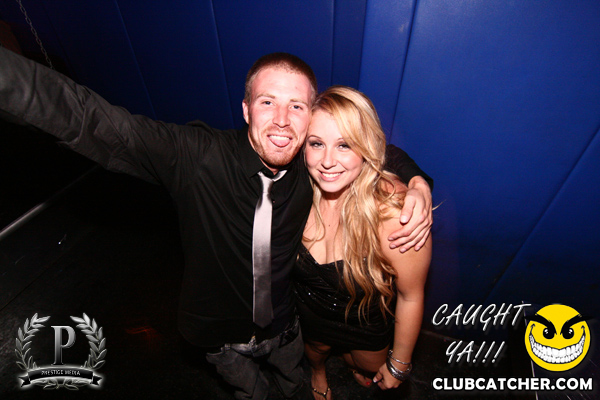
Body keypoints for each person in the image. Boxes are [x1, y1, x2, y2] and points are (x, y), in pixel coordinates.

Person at [0, 47, 432, 399]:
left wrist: (417, 182)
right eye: (267, 102)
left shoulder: (312, 162)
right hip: (218, 333)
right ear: (246, 109)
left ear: (308, 118)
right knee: (251, 393)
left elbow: (366, 146)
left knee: (294, 381)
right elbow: (95, 122)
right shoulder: (197, 156)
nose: (282, 120)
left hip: (285, 325)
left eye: (296, 106)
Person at [293, 86, 432, 399]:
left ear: (366, 147)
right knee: (315, 352)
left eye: (344, 145)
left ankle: (353, 362)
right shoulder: (294, 188)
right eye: (316, 143)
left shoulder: (396, 214)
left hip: (364, 322)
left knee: (368, 365)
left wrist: (399, 364)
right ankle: (318, 374)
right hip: (311, 315)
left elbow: (410, 296)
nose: (327, 161)